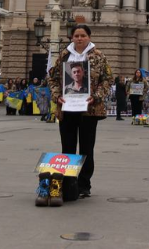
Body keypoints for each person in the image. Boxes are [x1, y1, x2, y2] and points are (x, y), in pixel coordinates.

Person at [48, 24, 113, 198]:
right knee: (67, 147)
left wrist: (97, 96)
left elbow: (107, 80)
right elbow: (53, 79)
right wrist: (57, 96)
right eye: (76, 35)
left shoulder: (98, 56)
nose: (79, 38)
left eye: (83, 35)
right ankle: (69, 184)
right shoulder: (64, 55)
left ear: (89, 37)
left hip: (89, 110)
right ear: (71, 38)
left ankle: (84, 185)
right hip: (67, 108)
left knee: (86, 148)